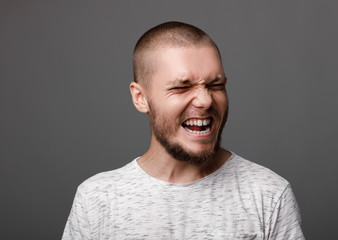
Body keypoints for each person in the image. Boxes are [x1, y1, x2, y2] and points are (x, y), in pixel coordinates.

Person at [62, 21, 305, 240]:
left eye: (216, 85)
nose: (205, 100)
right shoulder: (96, 200)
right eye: (181, 87)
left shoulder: (268, 195)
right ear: (140, 97)